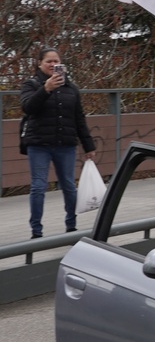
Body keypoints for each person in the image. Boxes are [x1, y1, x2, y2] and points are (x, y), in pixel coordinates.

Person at [19, 49, 96, 239]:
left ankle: (71, 226)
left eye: (56, 61)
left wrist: (88, 146)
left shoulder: (71, 88)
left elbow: (79, 118)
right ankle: (36, 231)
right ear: (39, 64)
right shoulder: (31, 84)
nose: (53, 65)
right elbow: (28, 107)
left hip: (65, 144)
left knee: (69, 185)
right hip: (39, 144)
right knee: (38, 186)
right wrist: (45, 89)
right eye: (48, 62)